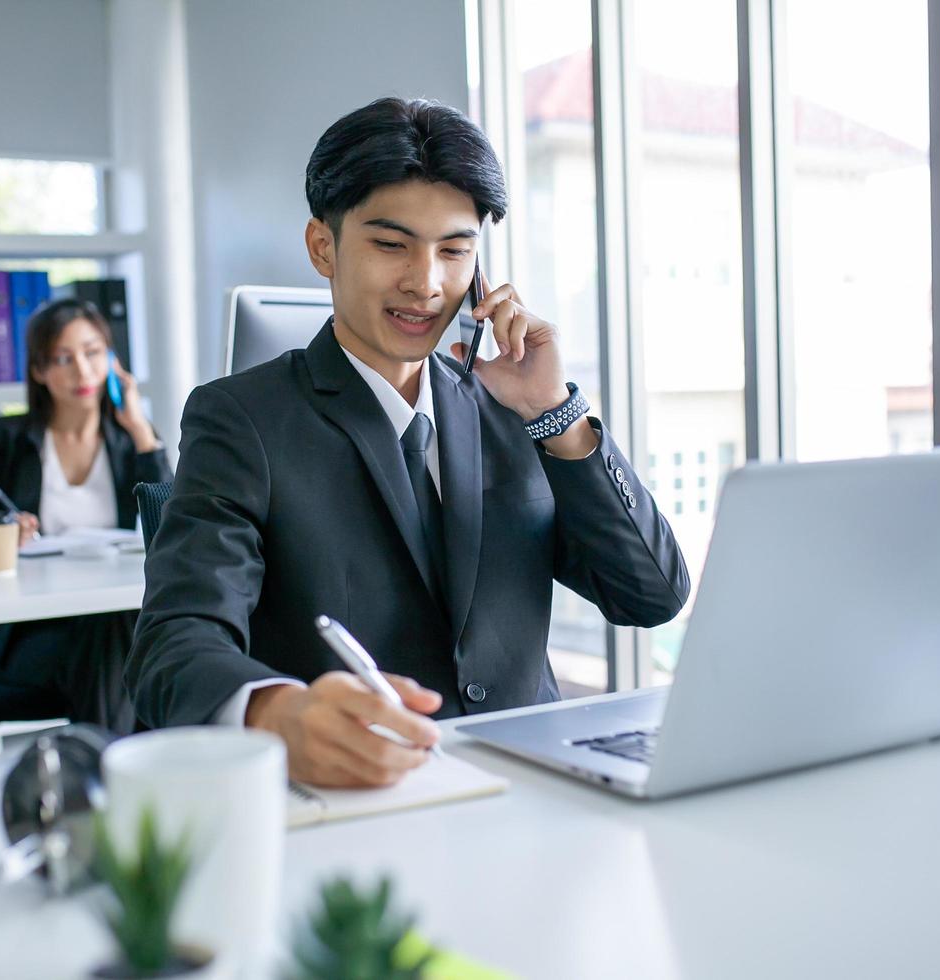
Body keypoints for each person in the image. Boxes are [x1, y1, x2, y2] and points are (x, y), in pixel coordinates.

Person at [128, 97, 689, 786]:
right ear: (323, 246)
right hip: (367, 803)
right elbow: (174, 645)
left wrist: (555, 412)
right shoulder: (241, 420)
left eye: (455, 251)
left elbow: (651, 596)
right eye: (391, 245)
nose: (426, 283)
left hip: (533, 791)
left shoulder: (512, 407)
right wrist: (277, 713)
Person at [0, 298, 172, 731]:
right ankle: (126, 773)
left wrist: (139, 428)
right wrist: (8, 530)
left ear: (112, 360)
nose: (82, 371)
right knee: (134, 649)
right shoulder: (8, 439)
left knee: (126, 634)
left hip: (112, 615)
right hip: (31, 626)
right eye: (64, 359)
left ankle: (101, 770)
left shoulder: (129, 439)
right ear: (39, 371)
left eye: (93, 352)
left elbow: (170, 522)